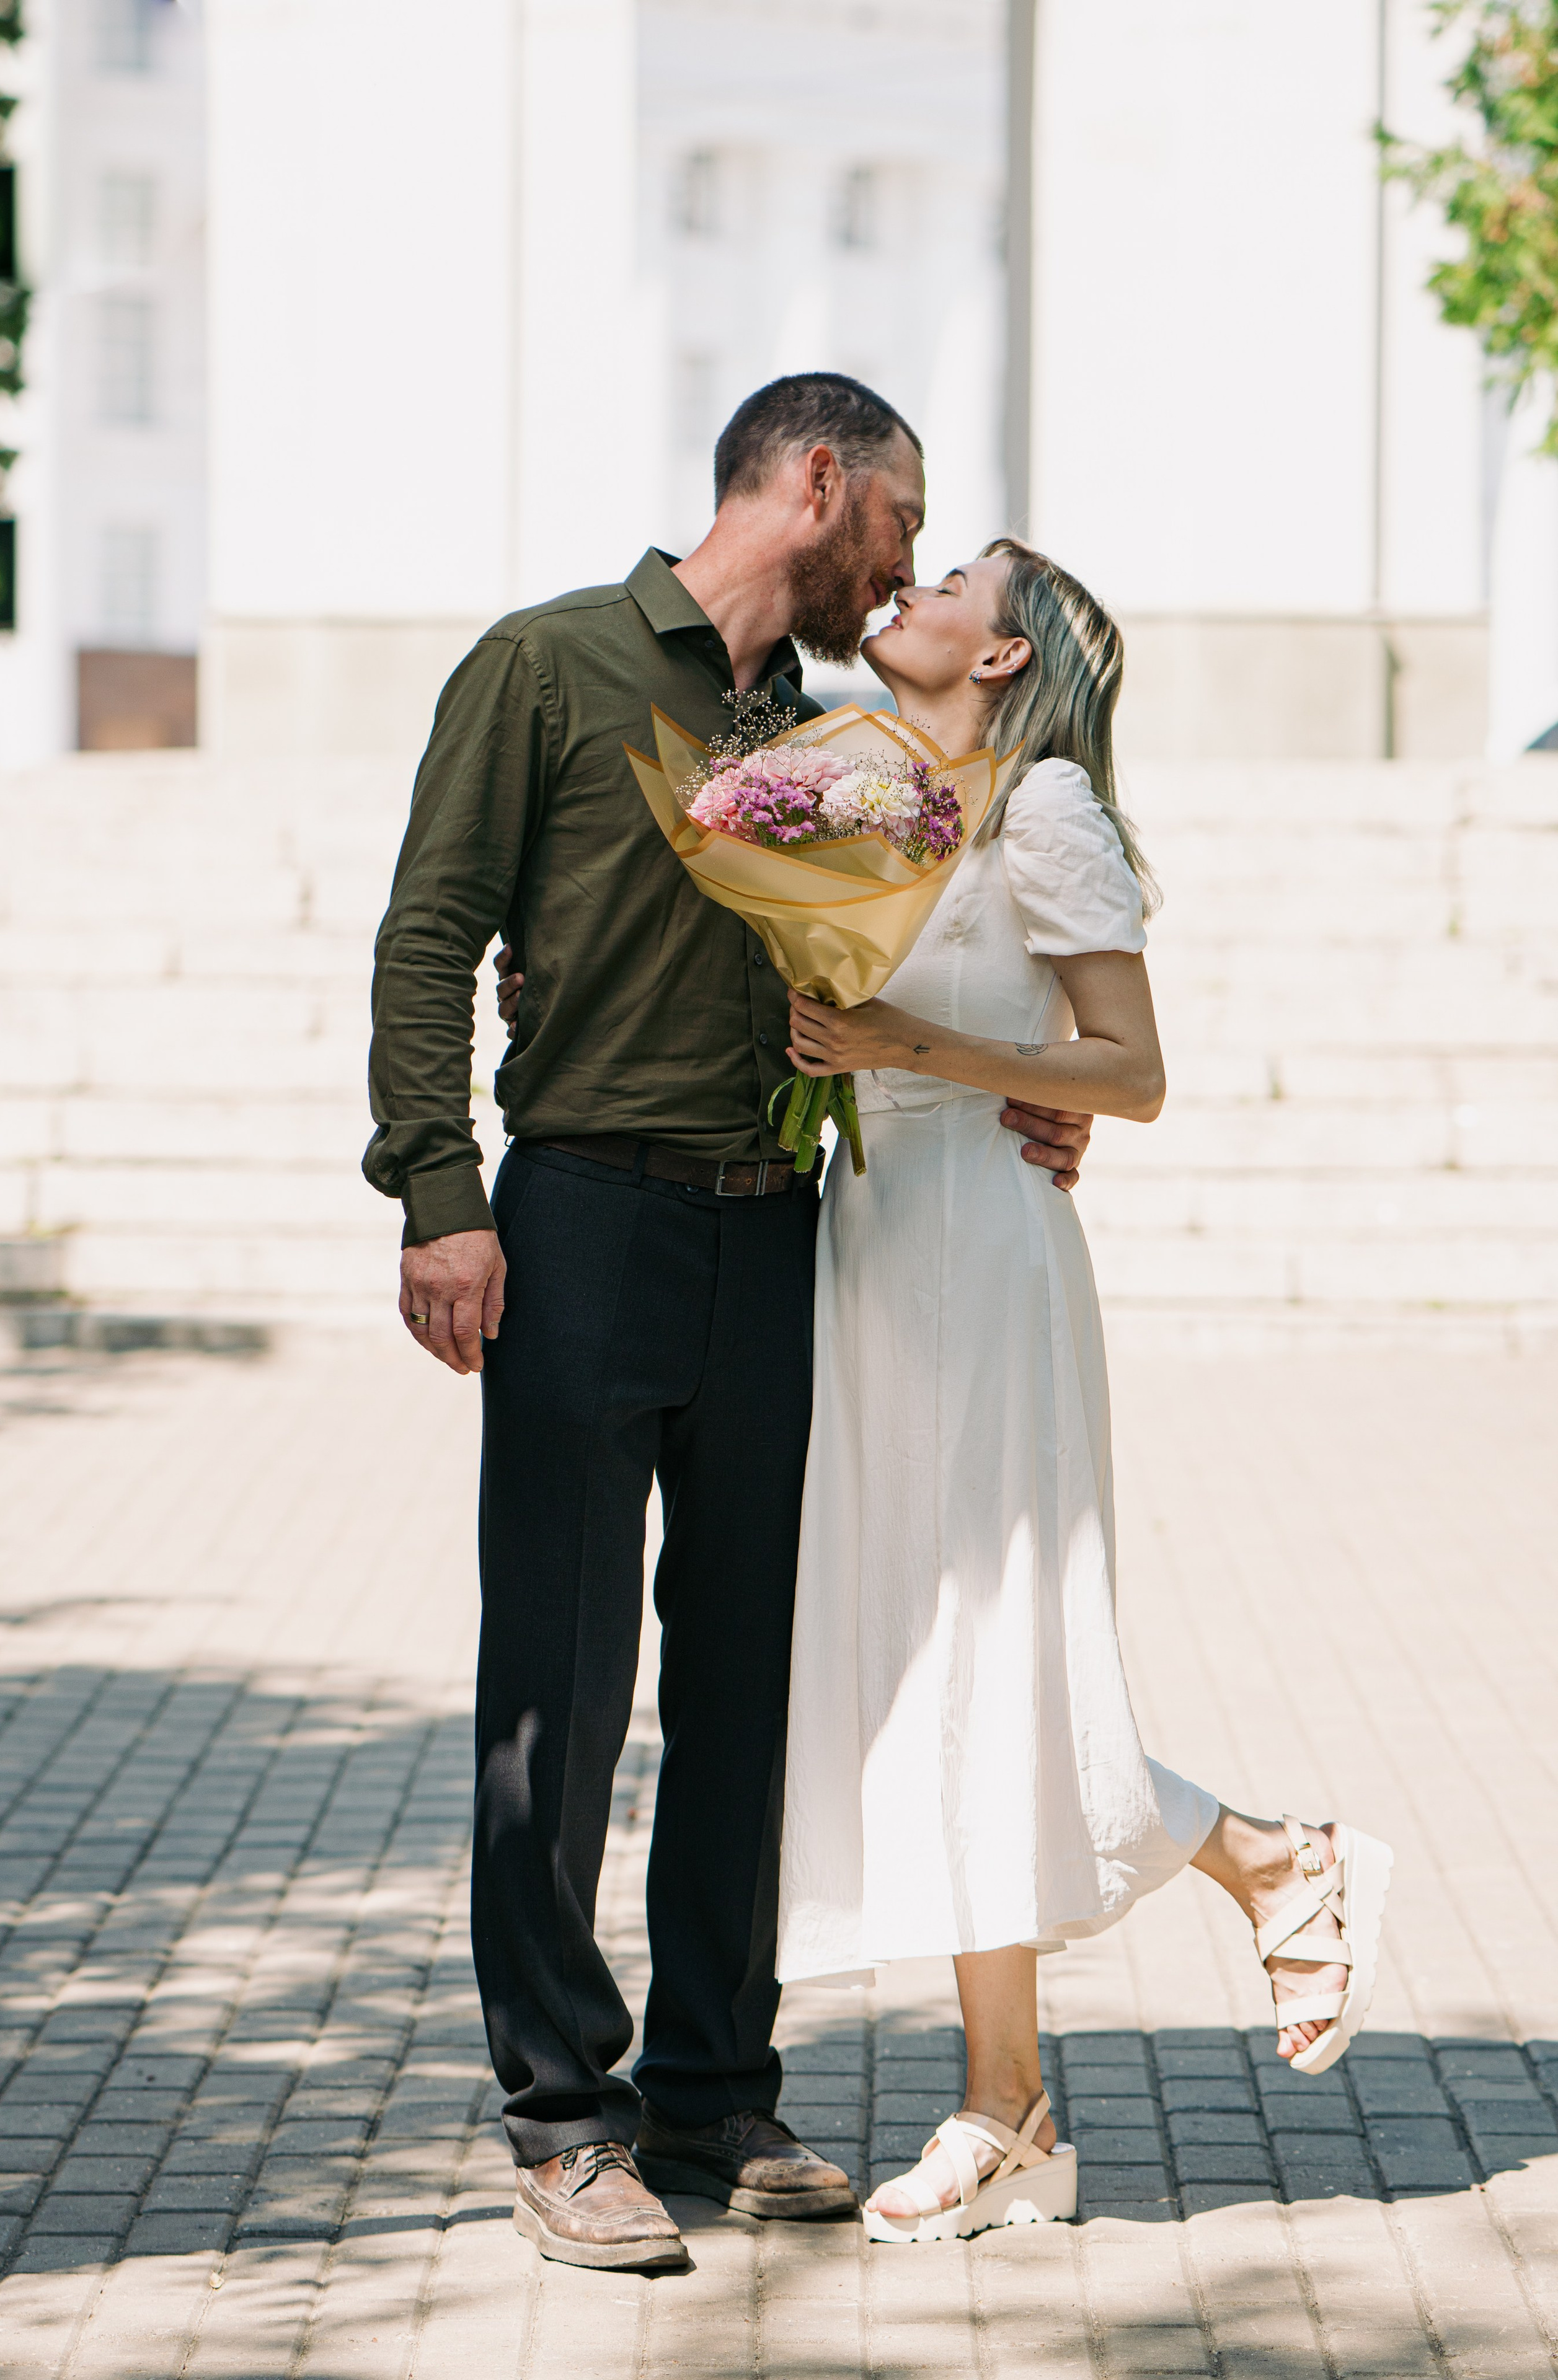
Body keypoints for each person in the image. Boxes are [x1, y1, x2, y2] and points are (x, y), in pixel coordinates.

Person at [363, 376, 1095, 2273]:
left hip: (782, 1243)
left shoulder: (846, 741)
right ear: (820, 482)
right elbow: (430, 930)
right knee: (562, 1676)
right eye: (900, 523)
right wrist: (439, 1192)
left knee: (749, 1687)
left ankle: (710, 2088)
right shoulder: (548, 667)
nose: (909, 566)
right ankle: (561, 2116)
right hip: (584, 1215)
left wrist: (1048, 1083)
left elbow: (939, 947)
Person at [778, 541, 1394, 2246]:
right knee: (935, 1666)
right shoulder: (874, 789)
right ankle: (1068, 2057)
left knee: (993, 1660)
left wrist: (914, 1050)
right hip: (879, 1249)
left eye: (955, 578)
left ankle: (1022, 2088)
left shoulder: (1043, 802)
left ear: (1001, 656)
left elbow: (1132, 1072)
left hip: (985, 1254)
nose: (911, 585)